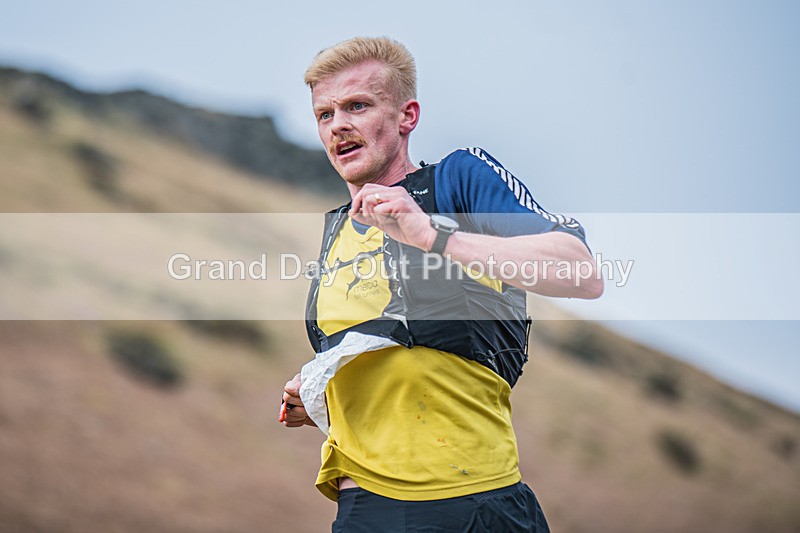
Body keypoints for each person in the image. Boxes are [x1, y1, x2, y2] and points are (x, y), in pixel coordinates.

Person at [280, 37, 603, 532]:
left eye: (357, 106)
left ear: (407, 116)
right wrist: (321, 389)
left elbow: (581, 271)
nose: (338, 125)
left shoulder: (456, 180)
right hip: (362, 508)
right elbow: (392, 353)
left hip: (472, 501)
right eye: (325, 114)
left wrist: (432, 235)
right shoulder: (335, 232)